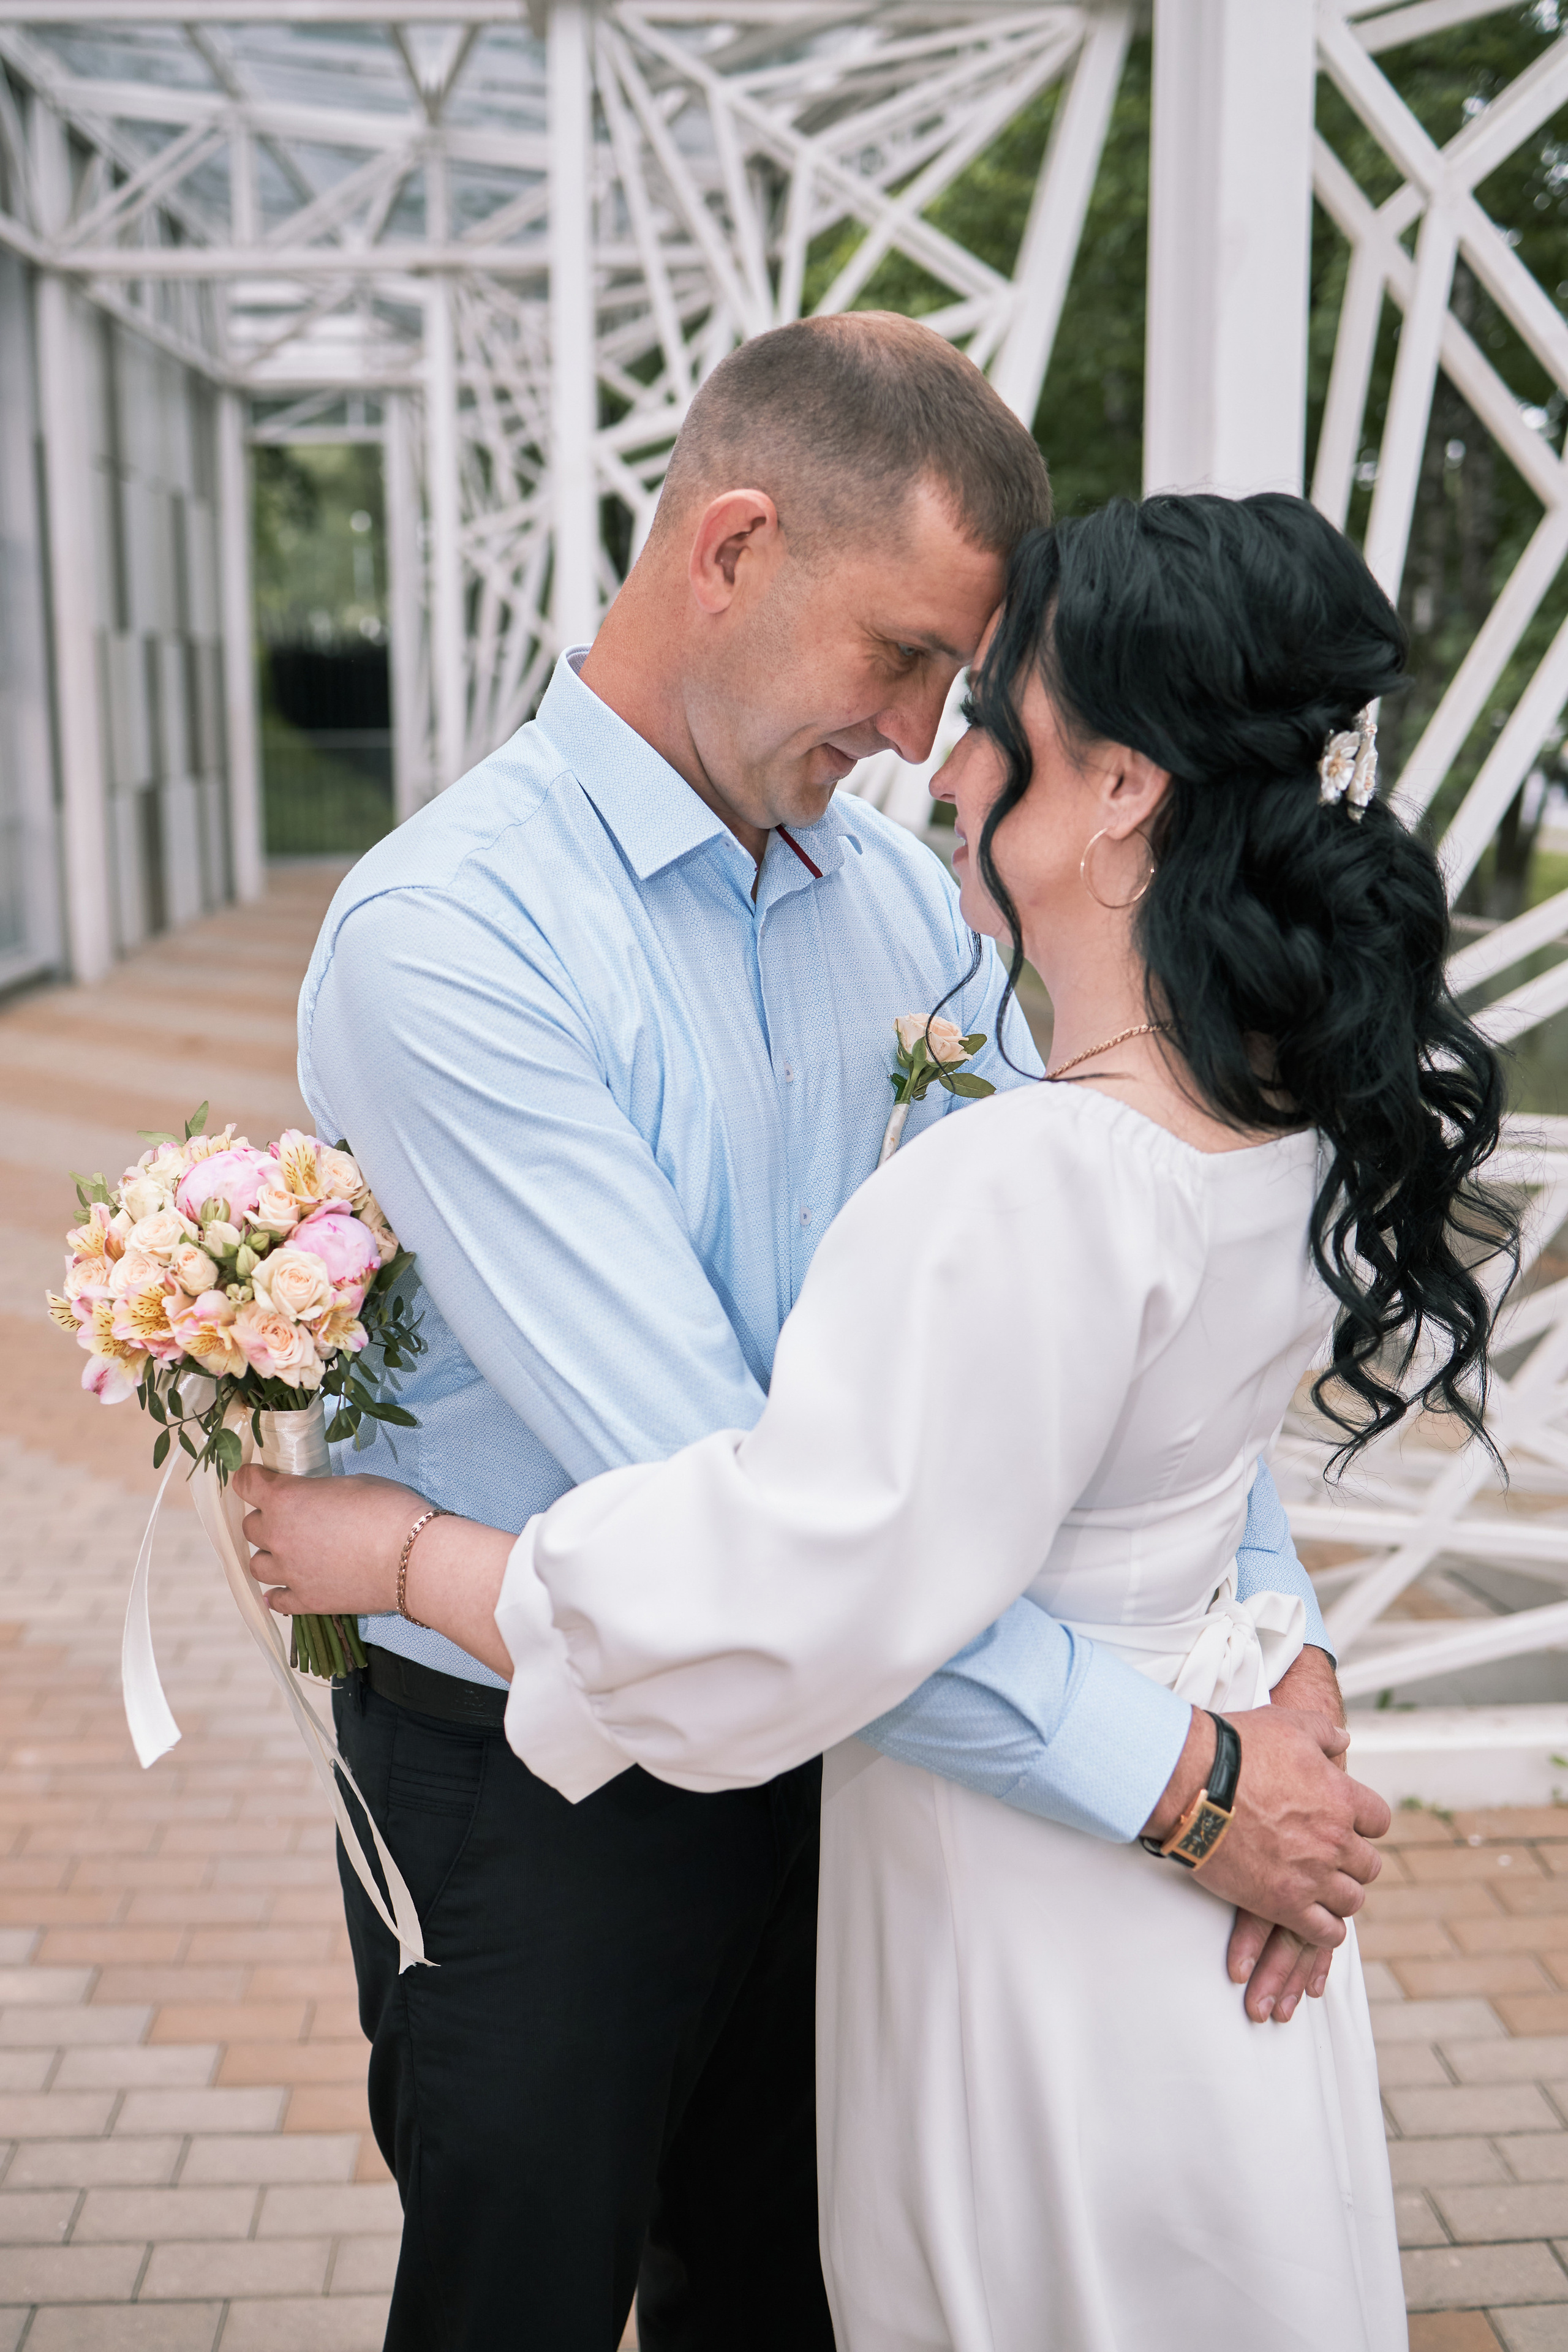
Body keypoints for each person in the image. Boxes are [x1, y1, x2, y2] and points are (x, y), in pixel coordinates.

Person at [243, 490, 1515, 2350]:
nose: (928, 744)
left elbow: (833, 1548)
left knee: (817, 2293)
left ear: (1124, 788)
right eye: (911, 658)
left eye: (978, 694)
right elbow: (768, 1497)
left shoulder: (936, 944)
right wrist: (1206, 1751)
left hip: (961, 1799)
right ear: (734, 550)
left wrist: (405, 1551)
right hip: (562, 1795)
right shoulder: (455, 931)